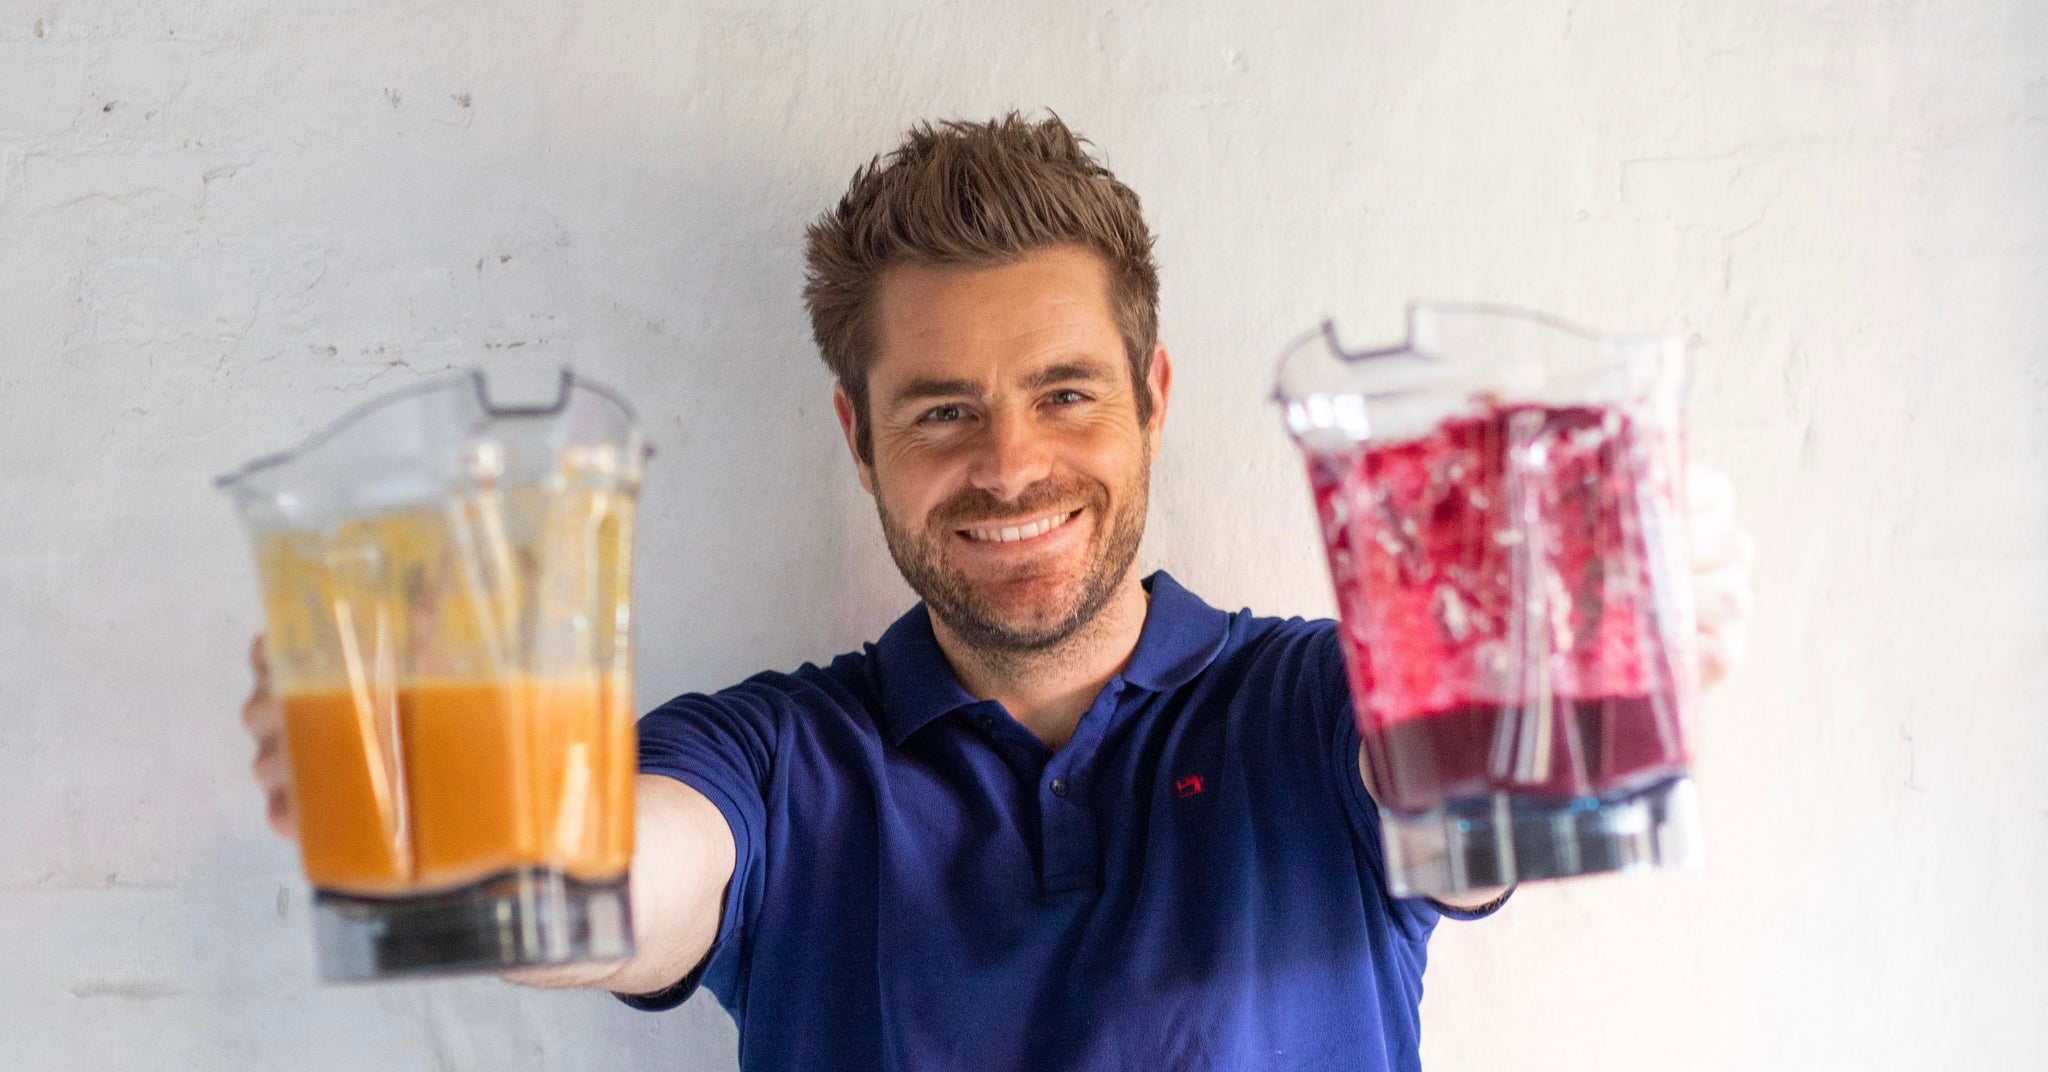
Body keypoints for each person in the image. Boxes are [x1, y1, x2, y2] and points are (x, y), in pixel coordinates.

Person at [242, 113, 1754, 1071]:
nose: (1012, 465)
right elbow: (616, 886)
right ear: (860, 439)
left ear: (1154, 399)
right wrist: (480, 830)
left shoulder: (1314, 708)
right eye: (944, 411)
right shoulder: (779, 762)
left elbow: (1461, 784)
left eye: (1066, 394)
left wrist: (1584, 645)